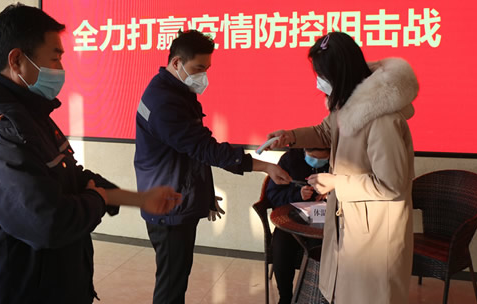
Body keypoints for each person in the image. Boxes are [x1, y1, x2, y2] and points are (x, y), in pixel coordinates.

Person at [0, 3, 182, 304]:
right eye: (55, 58)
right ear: (17, 60)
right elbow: (47, 224)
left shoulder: (28, 116)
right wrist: (98, 199)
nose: (61, 70)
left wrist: (139, 199)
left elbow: (71, 177)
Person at [134, 29, 292, 304]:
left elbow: (190, 152)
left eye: (207, 69)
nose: (203, 76)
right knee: (171, 286)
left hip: (173, 200)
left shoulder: (172, 90)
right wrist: (265, 167)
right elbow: (205, 149)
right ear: (176, 63)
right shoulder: (164, 103)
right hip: (168, 208)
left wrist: (204, 193)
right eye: (198, 68)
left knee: (176, 279)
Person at [266, 31, 418, 304]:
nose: (319, 82)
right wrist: (290, 136)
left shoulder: (383, 120)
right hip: (352, 223)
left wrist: (337, 183)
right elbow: (325, 132)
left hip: (375, 233)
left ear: (339, 73)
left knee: (368, 296)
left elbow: (391, 185)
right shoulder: (348, 105)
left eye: (321, 75)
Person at [266, 148, 330, 304]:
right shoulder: (290, 160)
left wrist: (331, 194)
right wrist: (297, 195)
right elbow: (273, 195)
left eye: (322, 158)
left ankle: (315, 297)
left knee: (320, 249)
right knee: (281, 246)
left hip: (324, 224)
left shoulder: (338, 161)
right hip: (293, 219)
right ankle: (285, 297)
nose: (316, 161)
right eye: (312, 156)